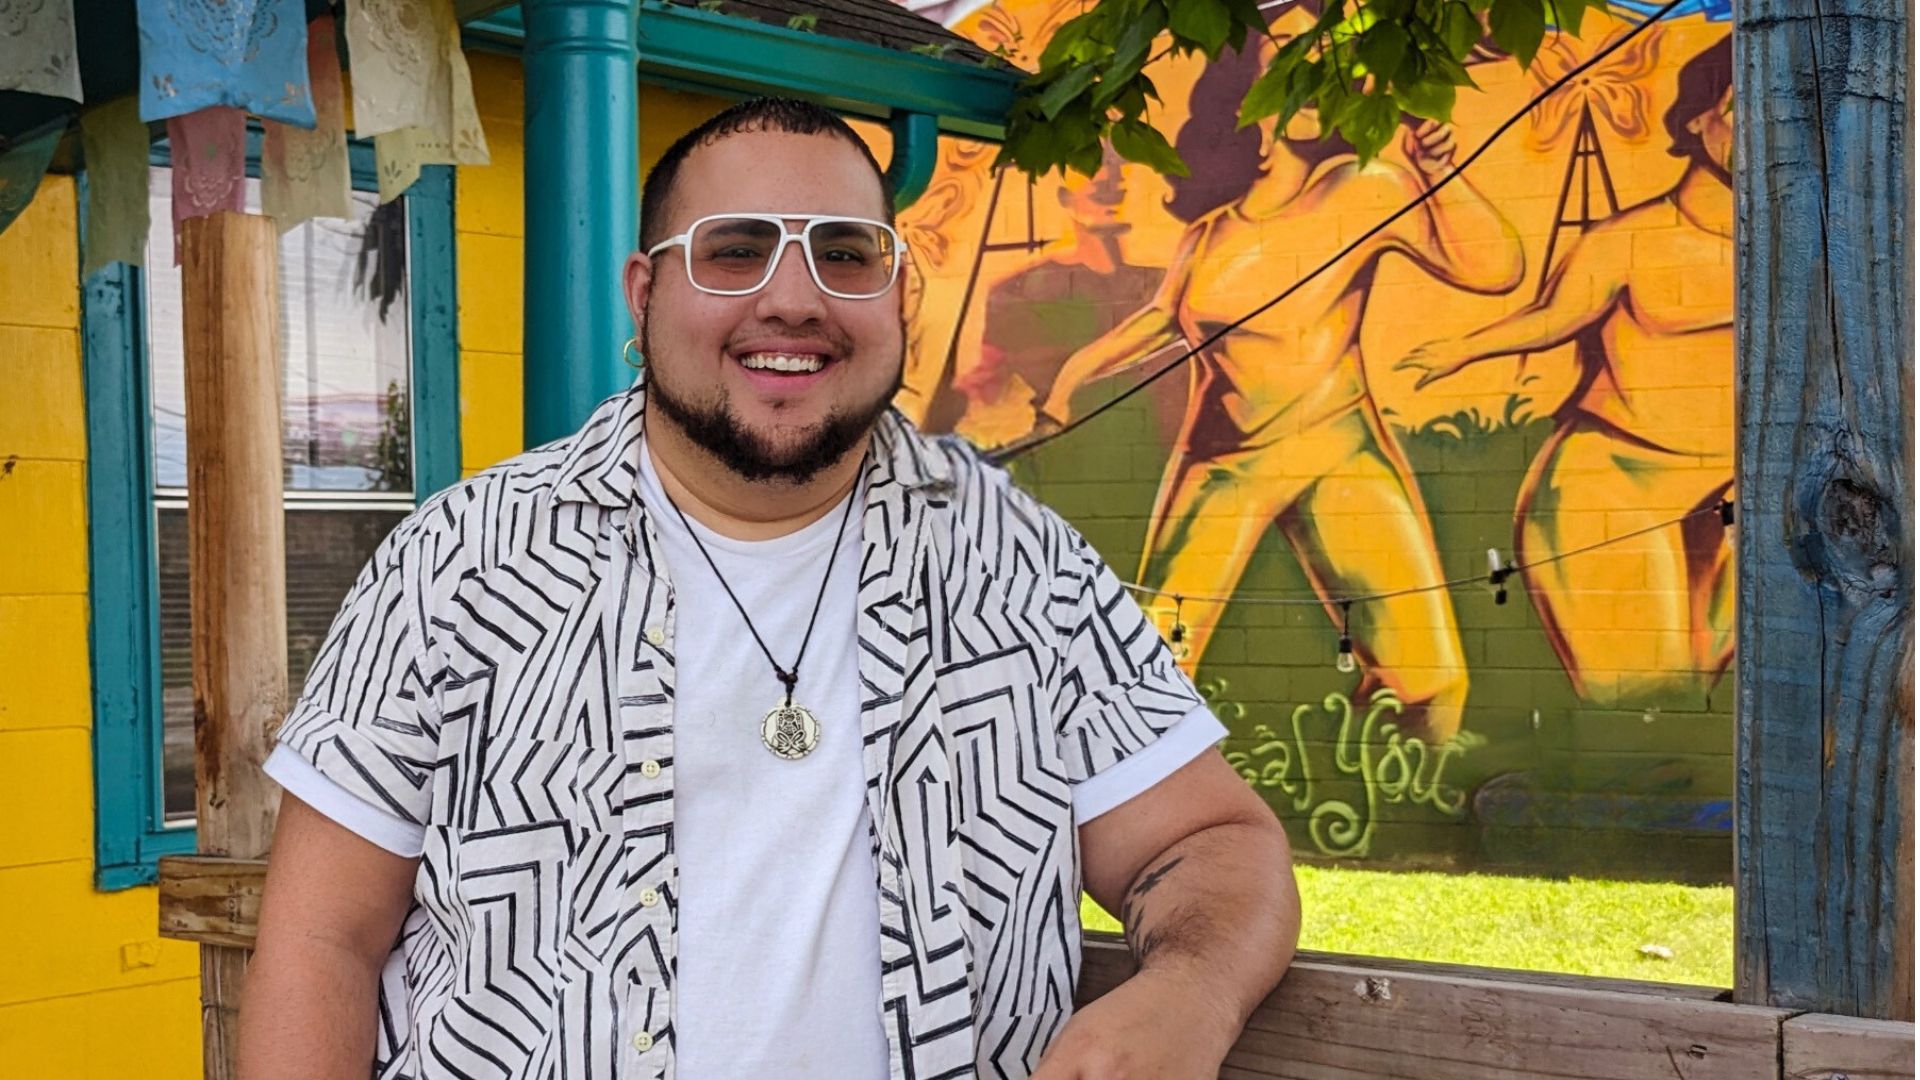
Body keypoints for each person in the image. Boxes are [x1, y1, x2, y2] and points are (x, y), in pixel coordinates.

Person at [236, 97, 1300, 1080]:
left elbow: (1208, 842)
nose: (793, 300)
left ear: (895, 293)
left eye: (845, 255)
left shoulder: (1021, 567)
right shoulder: (462, 562)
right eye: (734, 252)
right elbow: (326, 932)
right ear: (645, 293)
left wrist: (1190, 993)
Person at [1035, 6, 1526, 741]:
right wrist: (1065, 386)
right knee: (1148, 667)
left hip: (1340, 455)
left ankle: (1391, 795)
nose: (1310, 89)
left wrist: (1443, 174)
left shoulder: (1368, 188)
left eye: (1326, 75)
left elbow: (1496, 270)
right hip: (1223, 466)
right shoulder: (1211, 235)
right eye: (1288, 69)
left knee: (1430, 678)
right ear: (1248, 102)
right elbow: (1156, 323)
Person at [1394, 38, 1735, 705]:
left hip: (1734, 494)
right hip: (1613, 489)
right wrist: (1458, 350)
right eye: (1742, 108)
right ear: (1698, 116)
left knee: (1709, 708)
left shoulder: (1809, 240)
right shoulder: (1630, 239)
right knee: (1646, 701)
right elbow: (1553, 316)